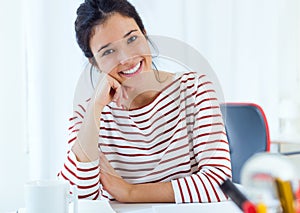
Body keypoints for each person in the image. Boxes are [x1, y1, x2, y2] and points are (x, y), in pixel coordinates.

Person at [58, 0, 232, 203]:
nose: (127, 58)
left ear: (145, 35)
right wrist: (95, 109)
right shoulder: (86, 115)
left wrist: (128, 192)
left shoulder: (194, 89)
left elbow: (220, 183)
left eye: (131, 39)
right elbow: (75, 198)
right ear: (94, 63)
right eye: (108, 51)